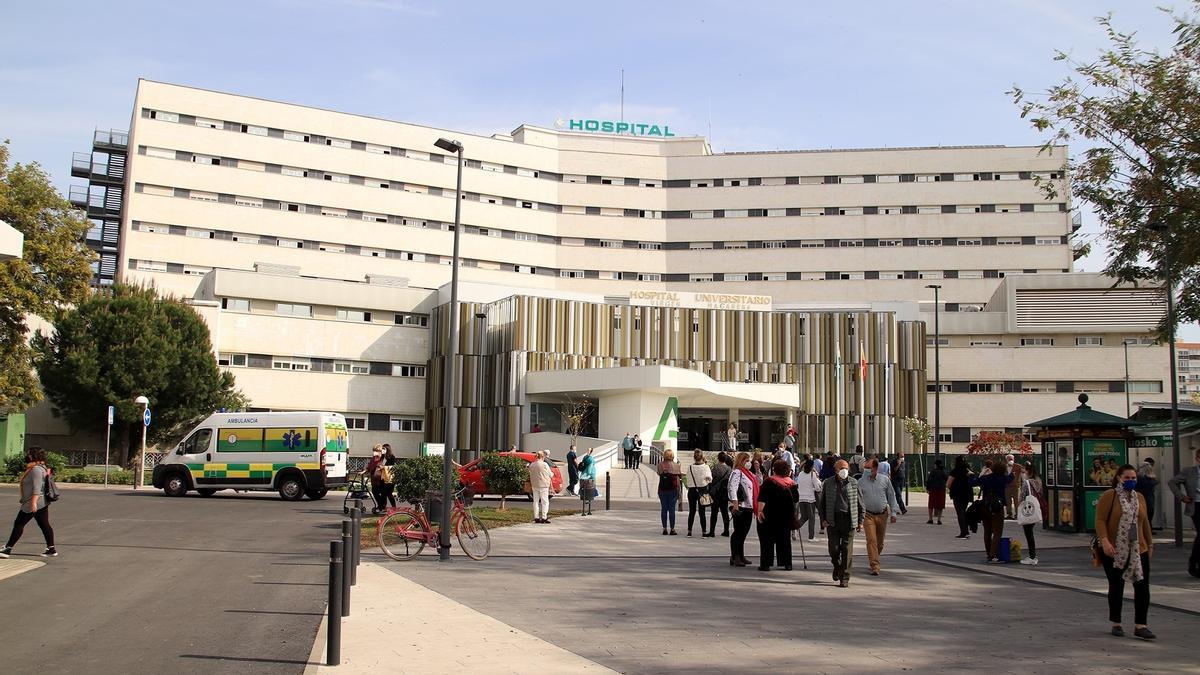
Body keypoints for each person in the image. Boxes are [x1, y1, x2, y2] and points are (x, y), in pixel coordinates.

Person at [1096, 465, 1156, 640]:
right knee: (1116, 585)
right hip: (1115, 548)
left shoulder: (1140, 498)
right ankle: (1116, 622)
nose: (1131, 481)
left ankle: (1141, 625)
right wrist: (1105, 541)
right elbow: (1100, 520)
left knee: (1142, 586)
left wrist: (1150, 545)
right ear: (1119, 478)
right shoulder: (1110, 496)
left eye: (1133, 478)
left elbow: (1145, 524)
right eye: (1127, 478)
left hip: (1138, 548)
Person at [1, 447, 57, 559]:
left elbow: (37, 487)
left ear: (34, 456)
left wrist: (33, 503)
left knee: (19, 524)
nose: (27, 456)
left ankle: (7, 549)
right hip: (41, 502)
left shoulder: (36, 469)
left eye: (29, 454)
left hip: (34, 502)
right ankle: (51, 549)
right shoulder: (41, 467)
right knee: (44, 524)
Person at [819, 459, 863, 587]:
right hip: (833, 521)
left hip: (849, 520)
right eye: (841, 468)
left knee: (847, 550)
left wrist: (860, 521)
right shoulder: (828, 483)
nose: (844, 470)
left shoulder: (854, 483)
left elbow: (861, 503)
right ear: (836, 470)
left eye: (846, 468)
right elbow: (822, 505)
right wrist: (823, 520)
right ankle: (836, 566)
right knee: (834, 549)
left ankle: (845, 577)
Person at [857, 458, 899, 576]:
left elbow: (891, 496)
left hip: (882, 514)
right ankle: (875, 565)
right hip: (868, 515)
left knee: (879, 543)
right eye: (865, 468)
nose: (866, 471)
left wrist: (894, 513)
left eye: (868, 468)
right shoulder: (861, 482)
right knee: (871, 540)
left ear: (875, 469)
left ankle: (874, 556)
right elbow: (858, 500)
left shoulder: (885, 480)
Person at [756, 459, 799, 571]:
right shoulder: (791, 484)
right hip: (786, 516)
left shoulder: (769, 482)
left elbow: (762, 499)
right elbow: (796, 499)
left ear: (774, 470)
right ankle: (787, 563)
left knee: (767, 540)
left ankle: (766, 564)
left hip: (770, 515)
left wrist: (759, 511)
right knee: (785, 540)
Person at [971, 459, 1013, 563]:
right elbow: (1010, 478)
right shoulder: (1003, 479)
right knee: (997, 532)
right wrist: (1013, 472)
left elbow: (973, 482)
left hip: (985, 506)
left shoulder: (986, 478)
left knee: (987, 531)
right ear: (1003, 470)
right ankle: (993, 555)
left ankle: (988, 552)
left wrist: (971, 475)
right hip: (997, 507)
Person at [1167, 448, 1200, 578]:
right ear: (1197, 459)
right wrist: (1182, 496)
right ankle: (1194, 562)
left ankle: (1195, 562)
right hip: (1196, 505)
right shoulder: (1189, 471)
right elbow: (1172, 482)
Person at [727, 451, 758, 567]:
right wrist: (735, 503)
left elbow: (757, 482)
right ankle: (735, 556)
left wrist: (758, 470)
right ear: (741, 461)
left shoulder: (748, 473)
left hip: (748, 505)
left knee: (744, 532)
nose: (748, 463)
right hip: (740, 506)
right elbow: (732, 488)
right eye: (746, 460)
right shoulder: (737, 472)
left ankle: (741, 554)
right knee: (738, 532)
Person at [1019, 463, 1044, 566]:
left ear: (1028, 472)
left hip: (1028, 510)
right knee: (1030, 533)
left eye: (1024, 472)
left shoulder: (1026, 483)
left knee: (1028, 534)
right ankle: (1032, 555)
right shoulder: (1038, 481)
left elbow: (1023, 496)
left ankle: (1032, 556)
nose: (1023, 474)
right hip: (1035, 508)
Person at [685, 449, 712, 537]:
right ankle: (704, 532)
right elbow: (709, 479)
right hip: (702, 490)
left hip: (692, 490)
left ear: (694, 457)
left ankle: (689, 531)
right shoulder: (706, 467)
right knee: (702, 512)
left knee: (692, 511)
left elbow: (687, 478)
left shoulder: (690, 467)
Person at [947, 456, 975, 539]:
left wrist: (952, 488)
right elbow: (973, 478)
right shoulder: (968, 471)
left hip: (957, 494)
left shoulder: (954, 471)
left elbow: (948, 484)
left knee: (960, 513)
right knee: (964, 511)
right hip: (966, 494)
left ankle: (964, 532)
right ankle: (966, 531)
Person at [656, 449, 682, 535]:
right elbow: (679, 474)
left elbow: (659, 473)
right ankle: (672, 529)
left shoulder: (660, 464)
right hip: (673, 489)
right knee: (671, 509)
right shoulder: (676, 465)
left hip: (662, 488)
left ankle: (664, 529)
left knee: (664, 508)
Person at [795, 458, 822, 541]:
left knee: (804, 517)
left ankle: (795, 528)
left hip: (801, 498)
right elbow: (817, 488)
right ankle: (811, 536)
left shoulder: (800, 474)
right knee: (812, 518)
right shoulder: (812, 474)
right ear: (812, 466)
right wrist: (815, 488)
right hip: (810, 499)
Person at [707, 452, 733, 537]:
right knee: (724, 512)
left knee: (714, 512)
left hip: (716, 492)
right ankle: (726, 530)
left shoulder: (715, 468)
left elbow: (711, 478)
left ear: (718, 458)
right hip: (724, 492)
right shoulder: (729, 469)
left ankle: (712, 531)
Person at [529, 450, 553, 524]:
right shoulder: (545, 464)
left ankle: (536, 517)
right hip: (544, 485)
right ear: (543, 456)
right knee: (544, 502)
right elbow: (551, 474)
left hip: (534, 485)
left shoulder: (532, 464)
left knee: (535, 501)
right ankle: (544, 517)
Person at [1135, 457, 1157, 528]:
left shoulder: (1138, 478)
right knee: (1149, 514)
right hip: (1148, 498)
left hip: (1142, 498)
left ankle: (1146, 529)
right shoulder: (1150, 479)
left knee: (1143, 515)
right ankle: (1148, 529)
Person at [925, 459, 948, 525]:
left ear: (935, 465)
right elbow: (946, 479)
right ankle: (939, 520)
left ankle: (930, 519)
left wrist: (928, 488)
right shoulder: (943, 471)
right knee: (940, 505)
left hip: (933, 489)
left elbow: (929, 480)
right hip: (941, 490)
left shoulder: (933, 471)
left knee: (931, 505)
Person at [366, 444, 386, 515]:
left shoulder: (383, 458)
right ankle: (380, 507)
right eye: (374, 451)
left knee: (382, 493)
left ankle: (382, 507)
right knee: (375, 492)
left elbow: (384, 466)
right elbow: (369, 467)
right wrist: (364, 472)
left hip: (381, 479)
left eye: (376, 451)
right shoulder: (373, 458)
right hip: (374, 479)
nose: (375, 452)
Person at [578, 448, 596, 516]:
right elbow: (589, 469)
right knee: (589, 490)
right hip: (589, 476)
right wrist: (589, 475)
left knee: (584, 491)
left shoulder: (585, 457)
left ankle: (585, 509)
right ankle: (588, 510)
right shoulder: (590, 459)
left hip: (583, 475)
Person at [379, 444, 398, 509]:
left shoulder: (392, 457)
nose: (382, 450)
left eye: (384, 449)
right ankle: (383, 507)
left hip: (390, 479)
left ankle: (394, 507)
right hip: (383, 478)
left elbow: (394, 467)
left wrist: (384, 467)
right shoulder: (382, 457)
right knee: (383, 493)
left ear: (387, 450)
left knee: (389, 493)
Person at [1004, 455, 1021, 520]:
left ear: (1013, 459)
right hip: (1007, 486)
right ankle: (1009, 514)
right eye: (1009, 459)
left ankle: (1017, 514)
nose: (1010, 459)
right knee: (1008, 501)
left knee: (1016, 500)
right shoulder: (1004, 467)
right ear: (1006, 460)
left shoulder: (1018, 466)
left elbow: (1024, 473)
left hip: (1016, 486)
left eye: (1011, 458)